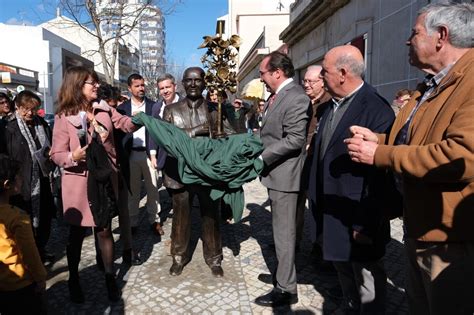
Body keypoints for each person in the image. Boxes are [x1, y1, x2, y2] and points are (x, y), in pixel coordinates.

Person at [345, 3, 474, 314]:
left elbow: (462, 156)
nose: (407, 40)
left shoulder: (469, 84)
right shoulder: (430, 86)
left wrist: (382, 153)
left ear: (441, 36)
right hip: (420, 226)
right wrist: (379, 140)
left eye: (414, 33)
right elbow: (417, 141)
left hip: (451, 239)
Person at [308, 45, 394, 314]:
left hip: (358, 214)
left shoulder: (376, 109)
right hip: (333, 209)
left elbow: (381, 177)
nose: (321, 77)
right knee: (342, 268)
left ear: (343, 73)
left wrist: (366, 223)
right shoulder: (329, 107)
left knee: (366, 277)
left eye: (325, 71)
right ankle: (349, 306)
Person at [50, 66, 138, 303]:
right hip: (78, 183)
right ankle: (74, 280)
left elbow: (126, 124)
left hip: (103, 179)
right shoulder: (62, 117)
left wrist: (143, 117)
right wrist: (72, 157)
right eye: (92, 83)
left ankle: (110, 278)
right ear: (78, 86)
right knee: (76, 234)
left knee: (104, 229)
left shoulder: (104, 108)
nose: (96, 86)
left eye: (96, 82)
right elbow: (56, 154)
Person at [254, 51, 310, 307]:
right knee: (280, 232)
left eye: (263, 73)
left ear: (277, 72)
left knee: (285, 234)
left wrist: (263, 157)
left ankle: (287, 288)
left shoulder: (296, 97)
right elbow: (273, 132)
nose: (261, 78)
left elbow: (295, 139)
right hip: (276, 175)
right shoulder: (277, 97)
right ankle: (282, 275)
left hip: (286, 177)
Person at [162, 67, 224, 278]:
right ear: (183, 83)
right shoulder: (171, 110)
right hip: (180, 173)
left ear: (205, 83)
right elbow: (168, 140)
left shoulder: (216, 109)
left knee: (211, 216)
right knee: (181, 217)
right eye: (189, 80)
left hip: (207, 172)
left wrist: (224, 137)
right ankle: (179, 257)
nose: (193, 84)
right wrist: (196, 131)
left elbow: (230, 136)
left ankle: (214, 258)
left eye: (198, 80)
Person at [5, 90, 55, 263]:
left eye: (33, 109)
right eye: (25, 109)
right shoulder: (9, 128)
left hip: (44, 177)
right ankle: (27, 255)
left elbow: (51, 144)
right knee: (25, 219)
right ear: (17, 108)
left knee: (45, 217)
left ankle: (40, 249)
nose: (29, 113)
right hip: (22, 182)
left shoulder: (42, 123)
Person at [97, 84, 142, 266]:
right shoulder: (94, 115)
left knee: (123, 211)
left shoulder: (118, 115)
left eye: (115, 105)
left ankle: (128, 250)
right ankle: (102, 254)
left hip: (121, 167)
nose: (113, 108)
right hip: (100, 171)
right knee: (100, 217)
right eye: (110, 104)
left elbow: (127, 129)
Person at [0, 154, 47, 314]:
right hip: (21, 284)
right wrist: (41, 277)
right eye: (18, 175)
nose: (21, 178)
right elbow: (30, 254)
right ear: (7, 184)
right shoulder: (18, 218)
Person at [117, 74, 163, 236]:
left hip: (149, 154)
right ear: (129, 88)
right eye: (137, 86)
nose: (141, 88)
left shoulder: (153, 107)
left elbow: (158, 131)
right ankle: (133, 222)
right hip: (130, 155)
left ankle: (154, 220)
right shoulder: (121, 109)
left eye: (142, 85)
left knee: (153, 189)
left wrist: (155, 153)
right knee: (133, 191)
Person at [296, 65, 331, 258]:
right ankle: (297, 243)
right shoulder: (304, 101)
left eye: (311, 81)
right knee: (300, 206)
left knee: (319, 207)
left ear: (323, 82)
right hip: (301, 163)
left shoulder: (328, 103)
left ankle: (321, 249)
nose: (306, 84)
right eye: (305, 81)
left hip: (317, 163)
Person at [150, 73, 183, 171]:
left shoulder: (185, 103)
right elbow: (153, 131)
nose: (165, 91)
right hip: (164, 158)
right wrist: (153, 155)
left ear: (175, 87)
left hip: (184, 156)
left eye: (168, 87)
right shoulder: (156, 108)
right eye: (162, 88)